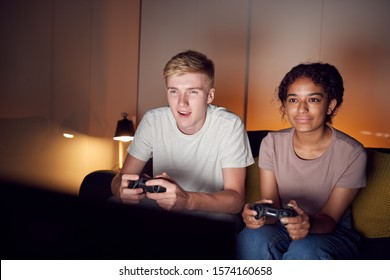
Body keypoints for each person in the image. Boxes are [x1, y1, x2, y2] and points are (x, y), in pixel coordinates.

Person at [237, 62, 367, 259]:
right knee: (251, 237)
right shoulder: (271, 143)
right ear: (285, 105)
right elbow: (271, 205)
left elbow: (329, 219)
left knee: (304, 250)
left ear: (330, 105)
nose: (301, 109)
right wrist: (257, 214)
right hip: (283, 227)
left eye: (313, 100)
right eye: (293, 100)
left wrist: (307, 224)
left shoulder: (353, 153)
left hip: (330, 233)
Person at [111, 50, 254, 223]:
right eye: (174, 91)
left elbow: (235, 200)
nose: (181, 102)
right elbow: (120, 178)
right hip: (160, 208)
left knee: (222, 220)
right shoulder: (152, 121)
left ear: (210, 96)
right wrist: (121, 190)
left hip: (209, 213)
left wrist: (186, 200)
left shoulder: (230, 125)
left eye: (192, 92)